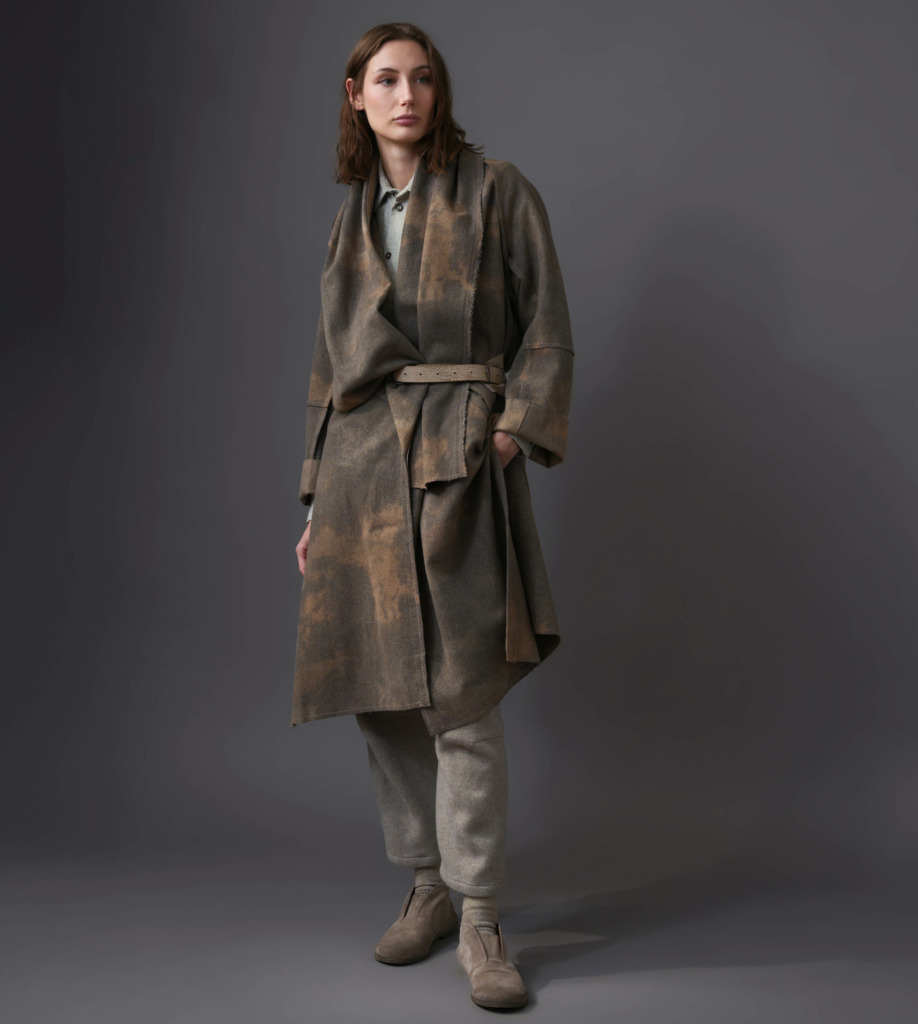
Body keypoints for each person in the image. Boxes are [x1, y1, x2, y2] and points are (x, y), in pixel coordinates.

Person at [291, 22, 573, 1012]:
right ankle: (427, 885)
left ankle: (482, 913)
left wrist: (511, 432)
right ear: (356, 97)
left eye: (421, 78)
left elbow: (547, 329)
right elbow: (330, 369)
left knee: (461, 695)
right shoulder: (351, 220)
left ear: (438, 92)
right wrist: (316, 495)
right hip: (362, 470)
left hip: (459, 454)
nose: (405, 95)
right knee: (382, 693)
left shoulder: (497, 191)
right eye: (385, 80)